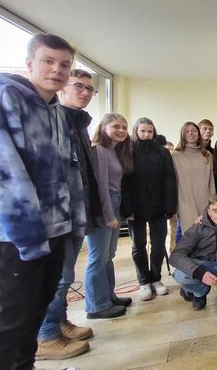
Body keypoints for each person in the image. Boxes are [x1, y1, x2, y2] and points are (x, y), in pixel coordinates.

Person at [0, 33, 85, 369]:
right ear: (29, 63)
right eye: (48, 61)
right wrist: (31, 240)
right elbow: (0, 177)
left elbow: (67, 175)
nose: (56, 70)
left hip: (54, 230)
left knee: (34, 314)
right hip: (11, 237)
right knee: (9, 323)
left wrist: (73, 224)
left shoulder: (55, 112)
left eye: (64, 65)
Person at [36, 69, 100, 360]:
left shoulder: (78, 123)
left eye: (90, 89)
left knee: (65, 274)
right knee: (57, 276)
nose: (85, 92)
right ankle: (46, 335)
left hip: (76, 211)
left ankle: (59, 322)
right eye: (79, 87)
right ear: (63, 89)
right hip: (57, 215)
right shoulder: (53, 119)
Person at [122, 117, 177, 301]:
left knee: (159, 244)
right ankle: (143, 281)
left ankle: (156, 278)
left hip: (158, 205)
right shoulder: (127, 151)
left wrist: (170, 206)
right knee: (138, 245)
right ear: (136, 131)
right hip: (135, 207)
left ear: (154, 132)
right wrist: (126, 208)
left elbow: (169, 180)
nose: (146, 134)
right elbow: (124, 183)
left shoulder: (162, 153)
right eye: (143, 131)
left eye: (150, 131)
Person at [85, 113, 134, 319]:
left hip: (115, 202)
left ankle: (108, 296)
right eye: (116, 126)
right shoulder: (99, 150)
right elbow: (100, 187)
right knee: (97, 258)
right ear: (103, 127)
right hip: (104, 206)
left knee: (108, 255)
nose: (121, 130)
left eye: (124, 127)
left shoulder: (116, 151)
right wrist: (108, 215)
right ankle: (96, 306)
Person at [169, 194, 217, 310]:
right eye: (215, 211)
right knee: (179, 275)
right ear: (208, 212)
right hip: (201, 263)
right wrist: (199, 272)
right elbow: (175, 255)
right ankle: (200, 293)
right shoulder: (197, 228)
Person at [172, 121, 215, 235]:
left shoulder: (207, 155)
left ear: (198, 134)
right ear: (183, 134)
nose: (191, 133)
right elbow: (174, 182)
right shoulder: (176, 155)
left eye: (194, 131)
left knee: (207, 235)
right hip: (185, 202)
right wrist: (174, 207)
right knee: (191, 236)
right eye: (187, 131)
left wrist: (213, 203)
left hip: (205, 201)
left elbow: (211, 181)